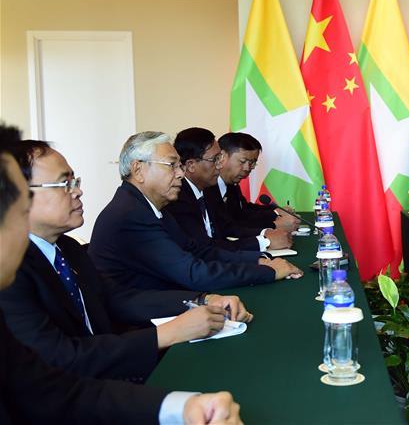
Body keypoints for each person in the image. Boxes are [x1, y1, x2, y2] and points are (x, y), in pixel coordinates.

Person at [0, 123, 242, 424]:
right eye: (64, 183)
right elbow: (61, 362)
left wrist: (200, 301)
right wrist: (167, 333)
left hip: (107, 382)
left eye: (75, 180)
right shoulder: (10, 280)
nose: (78, 191)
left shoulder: (68, 248)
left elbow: (115, 298)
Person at [90, 132, 301, 292]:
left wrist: (256, 260)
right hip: (140, 322)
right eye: (172, 165)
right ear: (138, 170)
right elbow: (192, 272)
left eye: (179, 166)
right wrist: (267, 271)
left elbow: (198, 251)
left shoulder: (150, 205)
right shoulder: (130, 213)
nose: (181, 173)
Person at [166, 127, 291, 252]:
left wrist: (266, 232)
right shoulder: (178, 198)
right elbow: (204, 247)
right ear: (190, 165)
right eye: (215, 159)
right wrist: (265, 241)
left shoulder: (206, 189)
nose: (220, 164)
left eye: (220, 157)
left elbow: (225, 228)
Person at [204, 132, 299, 234]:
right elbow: (229, 227)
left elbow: (243, 210)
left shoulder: (231, 184)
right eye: (243, 161)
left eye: (252, 163)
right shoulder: (207, 187)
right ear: (221, 157)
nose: (247, 168)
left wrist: (276, 211)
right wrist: (274, 224)